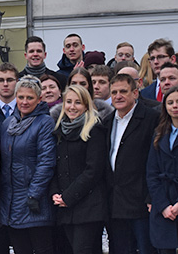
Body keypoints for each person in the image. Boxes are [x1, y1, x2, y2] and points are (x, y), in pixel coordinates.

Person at [0, 76, 57, 254]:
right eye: (21, 97)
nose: (24, 101)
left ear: (39, 99)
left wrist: (34, 194)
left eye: (30, 98)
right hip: (10, 202)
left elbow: (46, 161)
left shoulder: (45, 122)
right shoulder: (8, 123)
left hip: (35, 201)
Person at [104, 72, 159, 254]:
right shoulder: (107, 122)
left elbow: (157, 161)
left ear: (135, 93)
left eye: (123, 91)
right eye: (114, 92)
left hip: (141, 202)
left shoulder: (152, 119)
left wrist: (151, 197)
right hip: (115, 203)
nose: (118, 96)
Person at [49, 85, 107, 254]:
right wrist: (55, 193)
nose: (72, 107)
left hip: (88, 207)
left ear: (86, 105)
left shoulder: (94, 129)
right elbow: (55, 166)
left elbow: (93, 170)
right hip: (65, 208)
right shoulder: (60, 131)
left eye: (78, 103)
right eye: (68, 102)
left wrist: (68, 196)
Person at [147, 86, 178, 254]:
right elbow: (152, 174)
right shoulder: (159, 134)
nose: (175, 106)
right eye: (170, 102)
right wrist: (163, 205)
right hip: (164, 203)